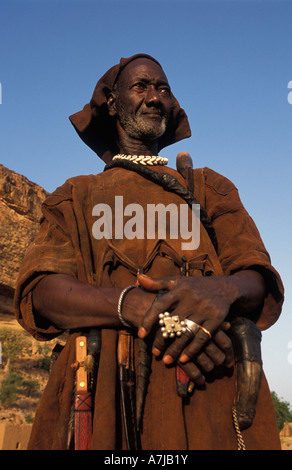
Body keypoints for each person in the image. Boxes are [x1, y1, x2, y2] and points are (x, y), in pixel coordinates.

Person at [14, 53, 284, 450]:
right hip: (100, 393)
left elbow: (257, 276)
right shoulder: (75, 195)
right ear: (112, 102)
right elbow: (41, 291)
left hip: (212, 386)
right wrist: (132, 305)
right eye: (141, 86)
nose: (155, 96)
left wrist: (222, 292)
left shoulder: (210, 188)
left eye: (163, 89)